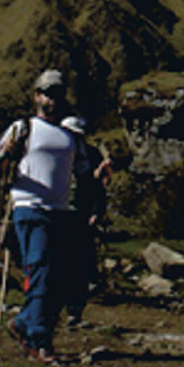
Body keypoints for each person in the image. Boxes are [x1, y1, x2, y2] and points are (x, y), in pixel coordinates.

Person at [0, 68, 91, 364]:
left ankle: (24, 323)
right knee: (42, 271)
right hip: (30, 207)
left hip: (61, 212)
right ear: (37, 96)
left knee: (56, 278)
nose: (52, 99)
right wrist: (6, 153)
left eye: (57, 94)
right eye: (47, 94)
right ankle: (39, 340)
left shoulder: (70, 137)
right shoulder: (22, 128)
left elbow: (83, 171)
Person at [58, 114, 114, 327]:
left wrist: (97, 211)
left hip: (81, 213)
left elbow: (99, 187)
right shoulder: (55, 153)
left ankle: (74, 308)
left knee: (79, 261)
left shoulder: (91, 154)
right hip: (57, 210)